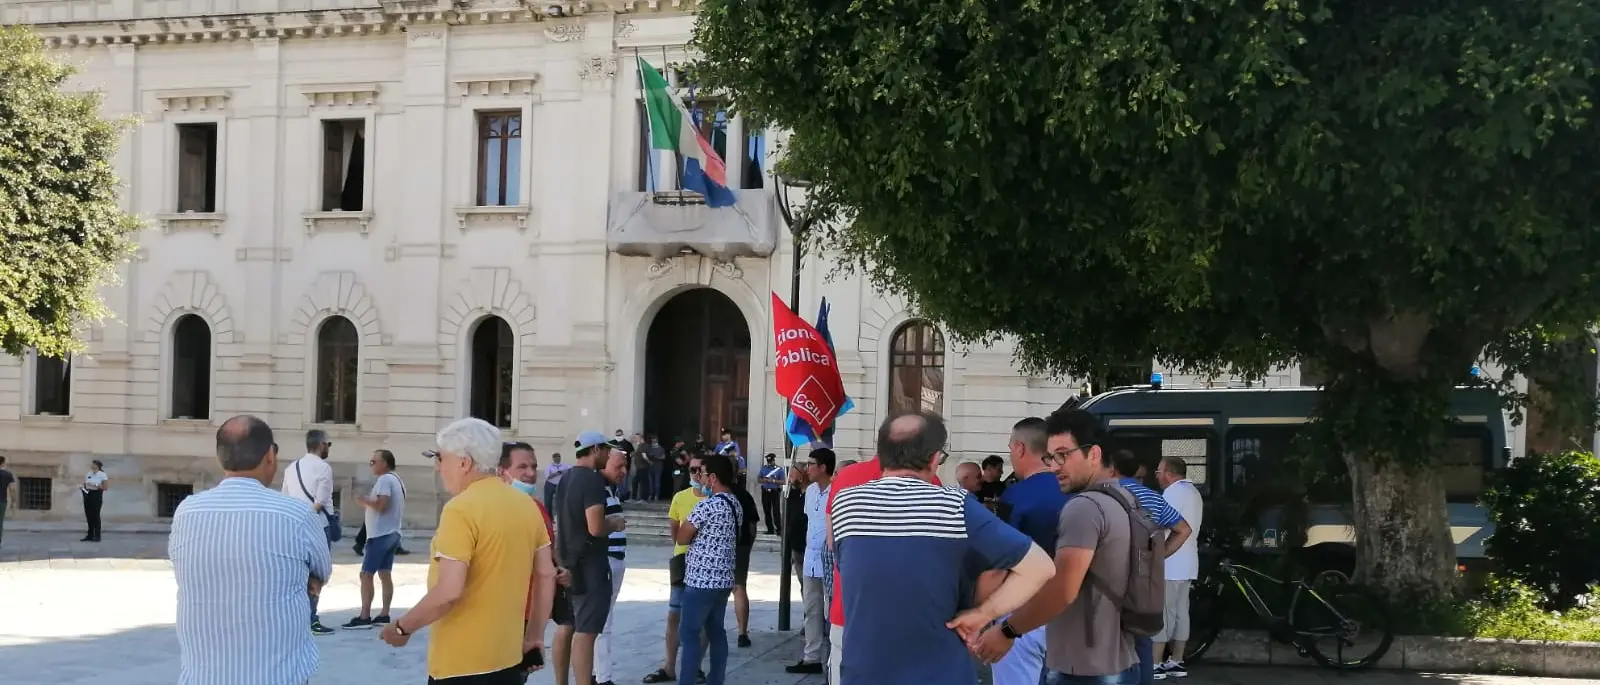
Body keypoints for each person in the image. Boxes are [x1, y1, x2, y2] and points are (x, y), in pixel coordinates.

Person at [836, 412, 1054, 685]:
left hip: (863, 674)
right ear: (935, 458)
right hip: (940, 673)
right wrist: (982, 614)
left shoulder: (846, 504)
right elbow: (1041, 567)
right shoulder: (954, 506)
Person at [969, 409, 1142, 685]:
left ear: (1093, 454)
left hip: (1051, 628)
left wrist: (997, 625)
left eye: (1063, 455)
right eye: (1052, 457)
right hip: (1110, 641)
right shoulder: (1124, 499)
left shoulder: (1077, 505)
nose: (1055, 466)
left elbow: (1059, 587)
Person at [381, 418, 554, 685]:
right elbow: (546, 575)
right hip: (508, 657)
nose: (438, 467)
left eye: (441, 458)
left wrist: (403, 627)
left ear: (464, 462)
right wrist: (534, 636)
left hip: (461, 664)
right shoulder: (526, 505)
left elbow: (449, 591)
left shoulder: (460, 510)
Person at [170, 415, 332, 685]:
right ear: (270, 455)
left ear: (221, 457)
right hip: (279, 677)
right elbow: (321, 572)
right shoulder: (297, 514)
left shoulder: (187, 511)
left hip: (203, 677)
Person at [824, 449, 946, 684]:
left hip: (850, 609)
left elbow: (832, 543)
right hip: (910, 615)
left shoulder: (846, 477)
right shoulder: (931, 481)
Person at [978, 418, 1070, 685]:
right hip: (1071, 609)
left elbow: (999, 562)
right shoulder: (1077, 491)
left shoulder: (1014, 498)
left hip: (1021, 613)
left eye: (1009, 449)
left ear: (1019, 448)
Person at [1110, 450, 1192, 685]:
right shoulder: (1153, 497)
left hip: (1109, 577)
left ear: (1111, 468)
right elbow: (1183, 529)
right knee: (1142, 636)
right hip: (1143, 577)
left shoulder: (1102, 494)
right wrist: (1158, 557)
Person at [552, 432, 615, 685]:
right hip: (589, 566)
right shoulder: (592, 480)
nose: (609, 455)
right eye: (606, 450)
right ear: (596, 449)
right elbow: (596, 526)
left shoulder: (565, 477)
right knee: (586, 633)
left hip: (567, 561)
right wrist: (615, 523)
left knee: (566, 626)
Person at [675, 453, 742, 685]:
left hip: (701, 581)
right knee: (716, 632)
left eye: (703, 475)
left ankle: (686, 681)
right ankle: (716, 680)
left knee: (689, 634)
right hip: (723, 579)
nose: (700, 480)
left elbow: (682, 537)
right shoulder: (735, 504)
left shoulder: (707, 506)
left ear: (713, 477)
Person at [642, 454, 707, 684]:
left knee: (700, 619)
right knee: (674, 615)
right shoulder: (680, 497)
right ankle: (669, 666)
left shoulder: (715, 499)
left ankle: (695, 666)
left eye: (701, 470)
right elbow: (675, 531)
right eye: (693, 470)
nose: (697, 474)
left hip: (706, 565)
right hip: (682, 561)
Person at [500, 442, 560, 684]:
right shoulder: (491, 508)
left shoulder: (536, 507)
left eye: (533, 466)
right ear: (501, 470)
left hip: (526, 612)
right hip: (497, 612)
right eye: (522, 466)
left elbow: (547, 555)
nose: (530, 472)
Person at [1153, 456, 1203, 680]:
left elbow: (1163, 525)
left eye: (1159, 471)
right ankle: (1177, 660)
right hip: (1189, 563)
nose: (1157, 475)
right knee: (1182, 612)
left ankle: (1155, 663)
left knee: (1164, 612)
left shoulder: (1172, 493)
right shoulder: (1194, 492)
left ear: (1170, 473)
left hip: (1171, 562)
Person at [281, 429, 336, 635]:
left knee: (296, 572)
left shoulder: (291, 467)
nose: (328, 449)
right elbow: (320, 503)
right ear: (321, 445)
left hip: (292, 527)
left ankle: (295, 618)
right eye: (328, 445)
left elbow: (284, 498)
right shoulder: (324, 468)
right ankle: (311, 619)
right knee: (318, 574)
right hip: (317, 527)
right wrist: (306, 518)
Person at [344, 449, 406, 629]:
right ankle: (384, 614)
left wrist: (364, 501)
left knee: (366, 574)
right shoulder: (396, 479)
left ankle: (364, 616)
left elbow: (382, 505)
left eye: (373, 461)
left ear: (384, 463)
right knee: (385, 573)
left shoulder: (385, 480)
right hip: (392, 532)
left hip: (380, 534)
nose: (371, 464)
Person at [786, 449, 834, 675]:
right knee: (811, 609)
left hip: (830, 559)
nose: (807, 468)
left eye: (811, 464)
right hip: (810, 558)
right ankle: (811, 657)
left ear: (823, 467)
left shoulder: (837, 491)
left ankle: (834, 656)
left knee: (832, 610)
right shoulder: (811, 491)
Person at [593, 444, 631, 685]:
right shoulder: (597, 490)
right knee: (602, 622)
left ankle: (597, 673)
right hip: (606, 560)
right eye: (619, 466)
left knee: (604, 621)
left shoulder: (610, 489)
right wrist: (614, 524)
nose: (624, 471)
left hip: (614, 559)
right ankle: (602, 677)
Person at [728, 466, 760, 648]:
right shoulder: (744, 495)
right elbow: (753, 524)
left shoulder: (712, 495)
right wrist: (748, 545)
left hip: (720, 547)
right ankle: (742, 632)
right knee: (740, 587)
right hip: (741, 546)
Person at [80, 459, 109, 542]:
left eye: (94, 464)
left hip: (96, 495)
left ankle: (97, 535)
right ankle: (90, 535)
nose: (92, 466)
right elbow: (86, 483)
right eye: (92, 464)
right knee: (89, 516)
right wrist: (83, 487)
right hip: (88, 495)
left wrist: (95, 484)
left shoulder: (102, 474)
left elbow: (105, 487)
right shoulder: (89, 474)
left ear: (97, 466)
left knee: (95, 516)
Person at [758, 454, 784, 535]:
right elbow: (759, 479)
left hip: (774, 492)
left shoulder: (779, 469)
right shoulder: (764, 468)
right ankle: (770, 529)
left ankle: (779, 529)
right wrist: (765, 480)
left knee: (776, 511)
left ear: (774, 460)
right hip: (765, 492)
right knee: (767, 511)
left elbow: (783, 481)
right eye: (768, 461)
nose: (769, 463)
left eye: (770, 461)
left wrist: (773, 481)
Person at [0, 455, 15, 549]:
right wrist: (13, 500)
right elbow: (11, 489)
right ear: (3, 463)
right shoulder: (7, 474)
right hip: (2, 501)